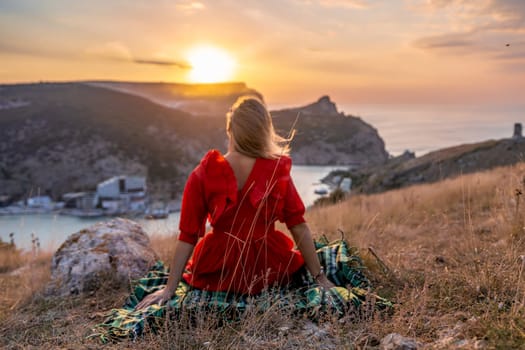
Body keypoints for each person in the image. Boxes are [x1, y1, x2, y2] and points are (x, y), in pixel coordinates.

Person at [136, 96, 334, 310]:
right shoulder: (277, 170)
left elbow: (188, 236)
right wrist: (319, 277)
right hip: (268, 266)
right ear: (265, 130)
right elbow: (297, 224)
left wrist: (169, 289)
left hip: (217, 271)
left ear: (229, 129)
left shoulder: (203, 173)